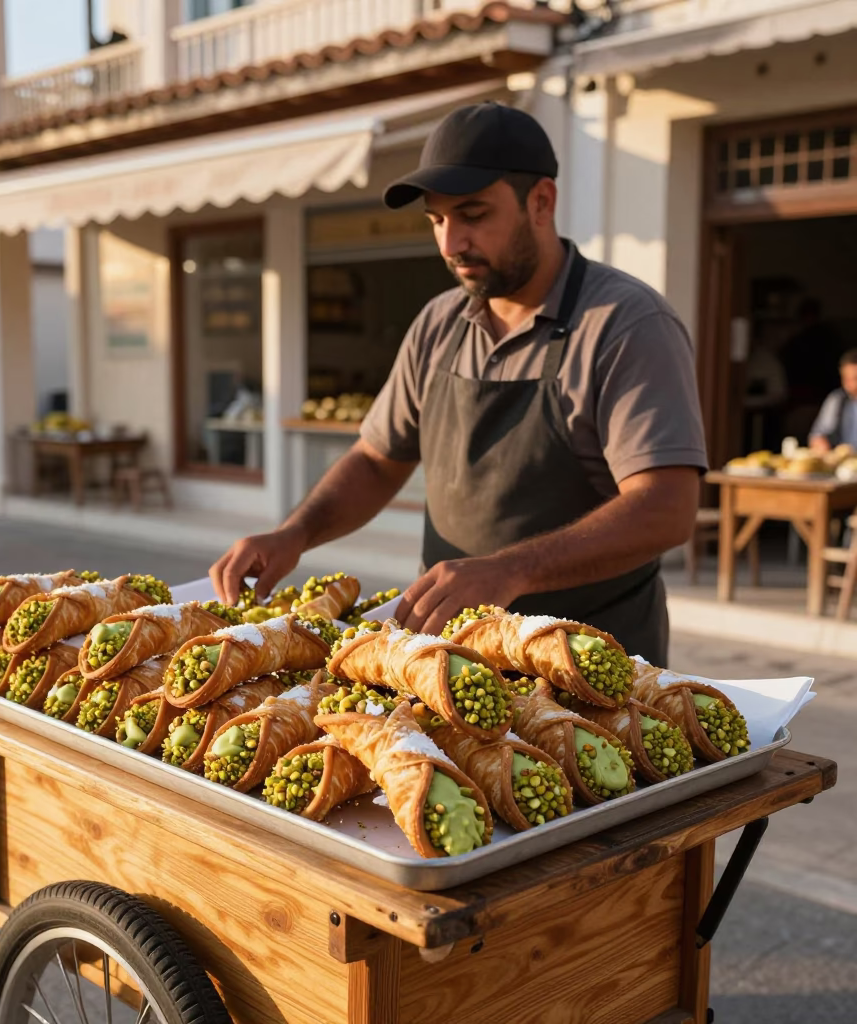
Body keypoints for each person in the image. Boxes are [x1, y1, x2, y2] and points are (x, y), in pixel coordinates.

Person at [209, 103, 707, 665]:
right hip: (449, 656)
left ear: (541, 202)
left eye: (472, 214)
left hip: (592, 664)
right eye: (437, 220)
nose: (450, 244)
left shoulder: (626, 324)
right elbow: (377, 461)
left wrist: (510, 570)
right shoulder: (439, 322)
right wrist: (294, 533)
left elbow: (666, 506)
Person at [808, 349, 857, 455]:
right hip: (841, 465)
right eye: (846, 379)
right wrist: (820, 442)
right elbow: (818, 434)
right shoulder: (837, 399)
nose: (851, 385)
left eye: (855, 378)